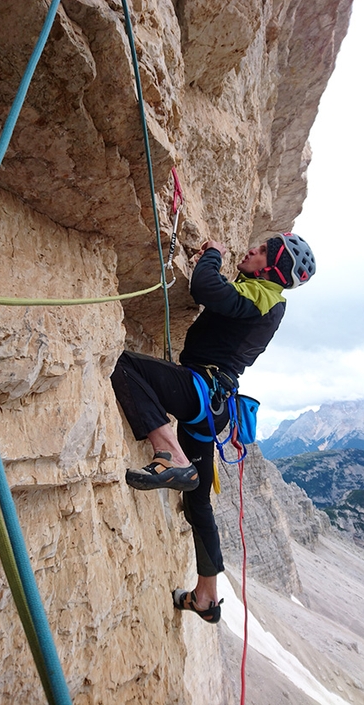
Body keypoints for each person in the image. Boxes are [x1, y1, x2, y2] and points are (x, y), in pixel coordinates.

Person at [110, 232, 316, 624]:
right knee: (198, 501)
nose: (253, 249)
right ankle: (207, 596)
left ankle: (167, 450)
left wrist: (214, 254)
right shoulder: (262, 296)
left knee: (123, 363)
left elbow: (205, 286)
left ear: (273, 269)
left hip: (199, 391)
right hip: (211, 406)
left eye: (263, 251)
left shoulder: (261, 297)